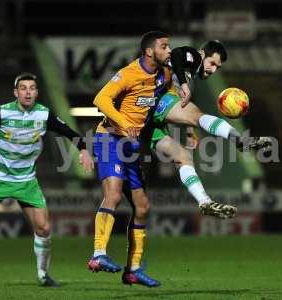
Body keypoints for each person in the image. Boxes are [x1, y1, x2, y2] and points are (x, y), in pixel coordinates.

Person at [0, 73, 94, 287]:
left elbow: (69, 132)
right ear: (16, 93)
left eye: (32, 88)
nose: (28, 92)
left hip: (26, 181)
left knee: (44, 229)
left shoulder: (44, 115)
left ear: (37, 92)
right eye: (23, 88)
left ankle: (43, 275)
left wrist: (83, 149)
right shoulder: (3, 112)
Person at [148, 41, 271, 218]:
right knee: (198, 115)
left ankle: (204, 201)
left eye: (217, 68)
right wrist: (183, 84)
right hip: (154, 102)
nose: (213, 70)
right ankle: (239, 140)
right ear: (202, 54)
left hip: (147, 123)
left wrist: (190, 131)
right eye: (212, 63)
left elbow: (183, 105)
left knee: (183, 157)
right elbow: (176, 55)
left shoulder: (192, 77)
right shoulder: (194, 57)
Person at [87, 31, 171, 287]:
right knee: (112, 195)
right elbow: (100, 99)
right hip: (109, 138)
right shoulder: (128, 73)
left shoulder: (163, 75)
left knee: (143, 207)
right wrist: (125, 124)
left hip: (132, 146)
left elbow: (166, 104)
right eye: (164, 46)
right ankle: (98, 254)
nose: (169, 50)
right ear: (149, 51)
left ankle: (133, 270)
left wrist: (189, 129)